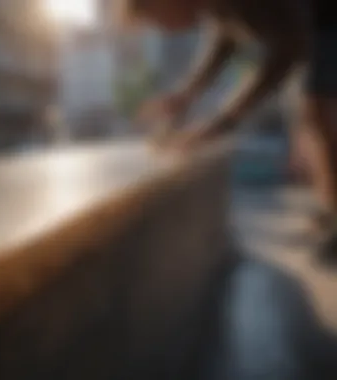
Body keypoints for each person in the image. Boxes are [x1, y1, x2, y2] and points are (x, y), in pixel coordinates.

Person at [128, 0, 337, 261]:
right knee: (311, 116)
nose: (161, 29)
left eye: (153, 18)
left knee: (318, 110)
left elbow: (288, 50)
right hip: (313, 23)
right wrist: (185, 95)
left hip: (325, 18)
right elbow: (225, 42)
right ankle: (330, 210)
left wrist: (223, 122)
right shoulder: (217, 9)